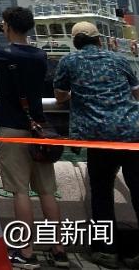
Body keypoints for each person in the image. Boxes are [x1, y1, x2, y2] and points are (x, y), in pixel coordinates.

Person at [0, 6, 64, 269]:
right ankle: (59, 249)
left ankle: (26, 250)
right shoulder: (41, 54)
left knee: (20, 190)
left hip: (12, 128)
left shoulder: (0, 52)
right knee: (47, 190)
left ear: (8, 26)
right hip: (39, 128)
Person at [54, 21, 139, 268]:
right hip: (131, 132)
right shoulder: (119, 60)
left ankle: (106, 251)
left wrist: (78, 95)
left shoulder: (69, 62)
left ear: (75, 42)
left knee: (101, 193)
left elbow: (60, 96)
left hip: (98, 136)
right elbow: (136, 93)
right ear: (99, 39)